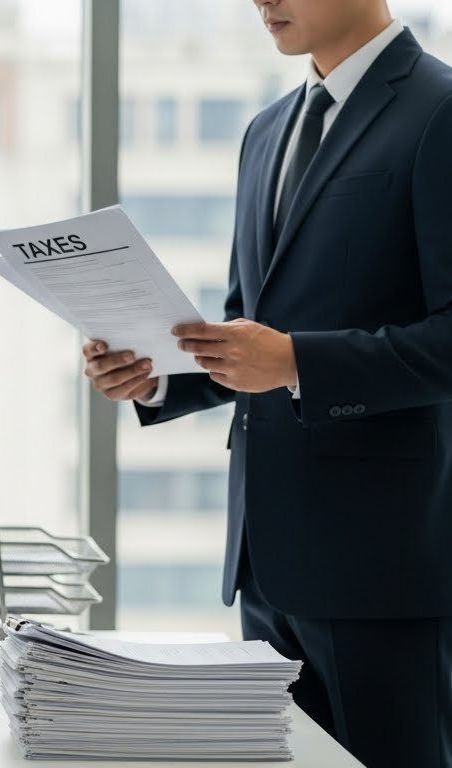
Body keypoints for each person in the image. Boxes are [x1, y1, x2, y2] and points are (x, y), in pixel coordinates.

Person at [82, 2, 452, 766]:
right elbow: (244, 322)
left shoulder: (439, 112)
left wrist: (295, 364)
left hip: (384, 569)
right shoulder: (266, 131)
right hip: (266, 563)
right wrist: (152, 378)